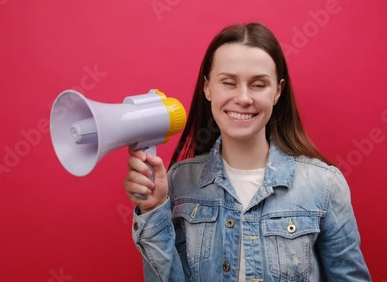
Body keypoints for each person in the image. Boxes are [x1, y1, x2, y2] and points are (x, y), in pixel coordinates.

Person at [123, 22, 371, 281]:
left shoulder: (325, 185)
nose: (243, 98)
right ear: (208, 88)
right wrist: (153, 209)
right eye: (229, 82)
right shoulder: (178, 181)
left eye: (258, 84)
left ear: (278, 91)